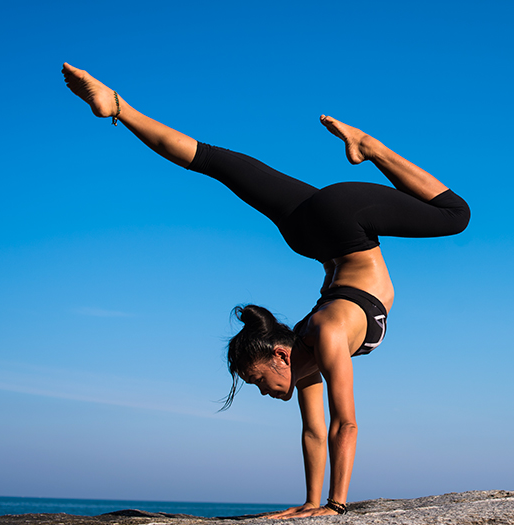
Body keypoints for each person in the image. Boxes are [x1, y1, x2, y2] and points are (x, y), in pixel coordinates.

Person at [61, 63, 470, 519]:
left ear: (280, 354)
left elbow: (345, 424)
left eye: (257, 379)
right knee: (213, 161)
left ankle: (368, 146)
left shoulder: (328, 334)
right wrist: (310, 505)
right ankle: (117, 106)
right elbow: (315, 432)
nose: (262, 392)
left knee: (456, 215)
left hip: (344, 222)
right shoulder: (307, 353)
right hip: (311, 232)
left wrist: (335, 507)